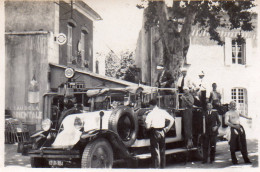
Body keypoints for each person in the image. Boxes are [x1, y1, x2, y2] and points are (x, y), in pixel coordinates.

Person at [145, 99, 175, 168]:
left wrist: (144, 121)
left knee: (155, 151)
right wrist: (167, 128)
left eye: (149, 106)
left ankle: (156, 168)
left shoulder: (150, 114)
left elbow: (147, 127)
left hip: (154, 132)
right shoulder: (163, 112)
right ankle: (162, 167)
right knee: (162, 151)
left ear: (151, 105)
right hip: (162, 131)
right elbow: (172, 119)